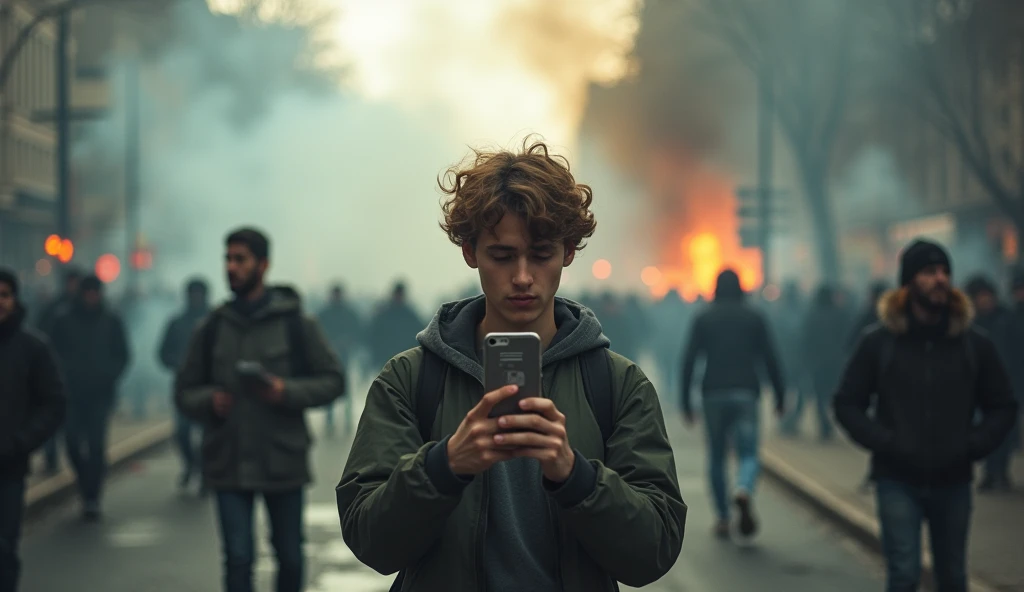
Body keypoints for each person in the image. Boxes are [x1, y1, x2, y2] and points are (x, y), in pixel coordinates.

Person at [337, 139, 686, 591]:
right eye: (501, 256)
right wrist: (444, 466)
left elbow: (653, 553)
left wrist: (575, 475)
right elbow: (371, 542)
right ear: (470, 252)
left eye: (541, 254)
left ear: (569, 252)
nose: (522, 277)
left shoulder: (618, 384)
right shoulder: (410, 379)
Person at [833, 239, 1017, 592]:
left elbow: (1004, 405)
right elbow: (846, 403)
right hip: (896, 479)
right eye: (929, 272)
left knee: (953, 577)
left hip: (954, 480)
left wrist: (972, 445)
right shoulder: (879, 342)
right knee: (903, 574)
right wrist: (885, 442)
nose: (940, 280)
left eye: (945, 272)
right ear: (908, 283)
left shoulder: (973, 343)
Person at [175, 228, 344, 592]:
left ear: (263, 265)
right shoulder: (212, 327)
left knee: (290, 556)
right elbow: (184, 391)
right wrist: (209, 401)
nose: (231, 267)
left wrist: (285, 391)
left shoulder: (296, 323)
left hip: (281, 458)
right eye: (227, 259)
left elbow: (333, 381)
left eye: (240, 259)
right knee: (237, 558)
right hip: (228, 460)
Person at [681, 269, 785, 539]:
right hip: (746, 391)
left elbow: (689, 359)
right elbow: (770, 357)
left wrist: (685, 402)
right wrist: (781, 394)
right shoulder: (754, 317)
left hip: (713, 392)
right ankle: (743, 487)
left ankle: (723, 517)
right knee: (749, 452)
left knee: (716, 455)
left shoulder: (704, 317)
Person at [0, 268, 65, 592]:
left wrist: (21, 441)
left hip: (8, 466)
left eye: (4, 295)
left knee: (4, 548)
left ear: (15, 299)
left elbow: (53, 402)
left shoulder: (32, 347)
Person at [49, 274, 130, 521]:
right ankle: (85, 482)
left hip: (100, 394)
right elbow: (51, 352)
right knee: (72, 443)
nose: (92, 298)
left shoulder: (111, 320)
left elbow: (123, 353)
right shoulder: (63, 320)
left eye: (96, 293)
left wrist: (109, 375)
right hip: (71, 394)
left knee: (96, 445)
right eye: (88, 293)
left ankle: (92, 496)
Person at [964, 275, 1018, 492]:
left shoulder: (1007, 319)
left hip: (1006, 384)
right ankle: (991, 473)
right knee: (984, 431)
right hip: (979, 386)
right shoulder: (972, 324)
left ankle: (1000, 473)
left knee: (1003, 432)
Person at [158, 278, 211, 492]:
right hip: (184, 386)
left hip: (209, 386)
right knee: (182, 432)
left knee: (208, 435)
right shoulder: (177, 323)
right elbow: (163, 352)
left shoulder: (216, 322)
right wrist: (176, 365)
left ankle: (205, 473)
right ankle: (191, 465)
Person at [35, 267, 82, 475]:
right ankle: (51, 458)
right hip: (54, 373)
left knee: (71, 425)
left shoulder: (87, 310)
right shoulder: (53, 308)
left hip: (77, 379)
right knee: (52, 420)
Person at [316, 283, 363, 435]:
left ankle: (346, 419)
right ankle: (330, 420)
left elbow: (358, 331)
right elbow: (317, 333)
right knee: (330, 385)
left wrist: (348, 342)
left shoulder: (348, 313)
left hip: (344, 355)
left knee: (346, 388)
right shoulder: (326, 313)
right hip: (329, 356)